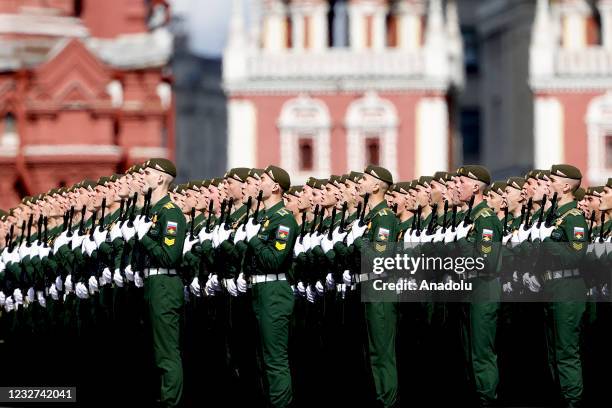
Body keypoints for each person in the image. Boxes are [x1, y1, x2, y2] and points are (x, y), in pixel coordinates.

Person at [241, 165, 298, 408]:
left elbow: (275, 260)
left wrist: (253, 239)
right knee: (260, 358)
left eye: (263, 179)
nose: (258, 183)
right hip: (258, 291)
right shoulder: (265, 218)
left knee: (275, 359)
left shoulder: (283, 219)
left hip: (274, 292)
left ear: (275, 187)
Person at [133, 158, 187, 408]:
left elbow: (170, 256)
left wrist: (144, 238)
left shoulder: (171, 213)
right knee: (153, 349)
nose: (144, 177)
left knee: (166, 351)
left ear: (161, 179)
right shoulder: (152, 213)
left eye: (148, 173)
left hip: (164, 284)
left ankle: (170, 401)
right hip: (151, 282)